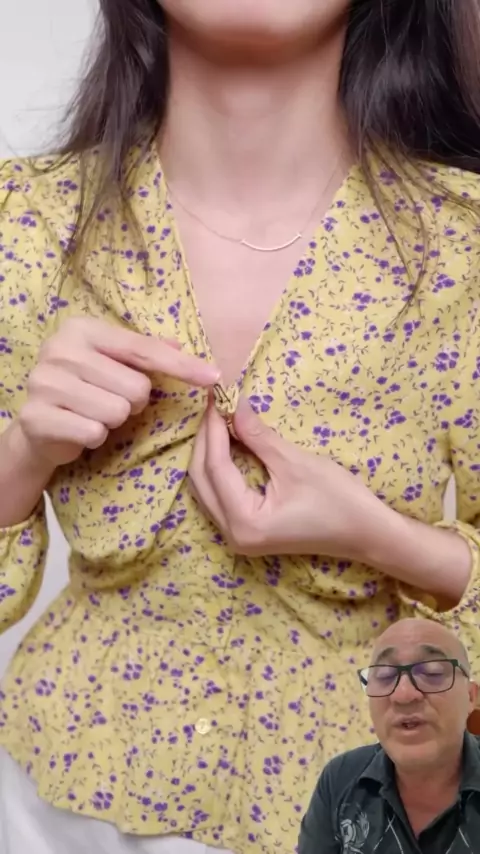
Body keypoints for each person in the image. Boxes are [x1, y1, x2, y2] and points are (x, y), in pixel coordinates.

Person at [1, 1, 480, 852]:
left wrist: (383, 538)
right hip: (53, 808)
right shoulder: (24, 225)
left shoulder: (466, 245)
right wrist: (22, 458)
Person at [299, 619, 480, 853]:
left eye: (432, 672)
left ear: (471, 697)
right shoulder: (341, 778)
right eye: (385, 676)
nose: (403, 694)